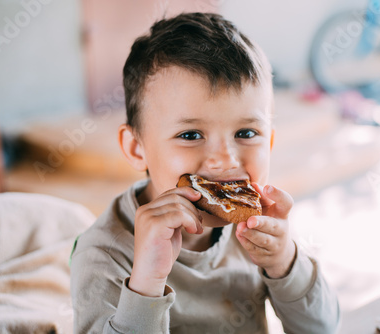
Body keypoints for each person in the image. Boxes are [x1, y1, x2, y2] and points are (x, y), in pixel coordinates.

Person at [70, 12, 340, 334]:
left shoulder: (259, 232)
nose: (224, 160)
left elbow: (323, 328)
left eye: (246, 132)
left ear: (269, 142)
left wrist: (285, 264)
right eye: (191, 135)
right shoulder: (104, 254)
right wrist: (146, 284)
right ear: (136, 148)